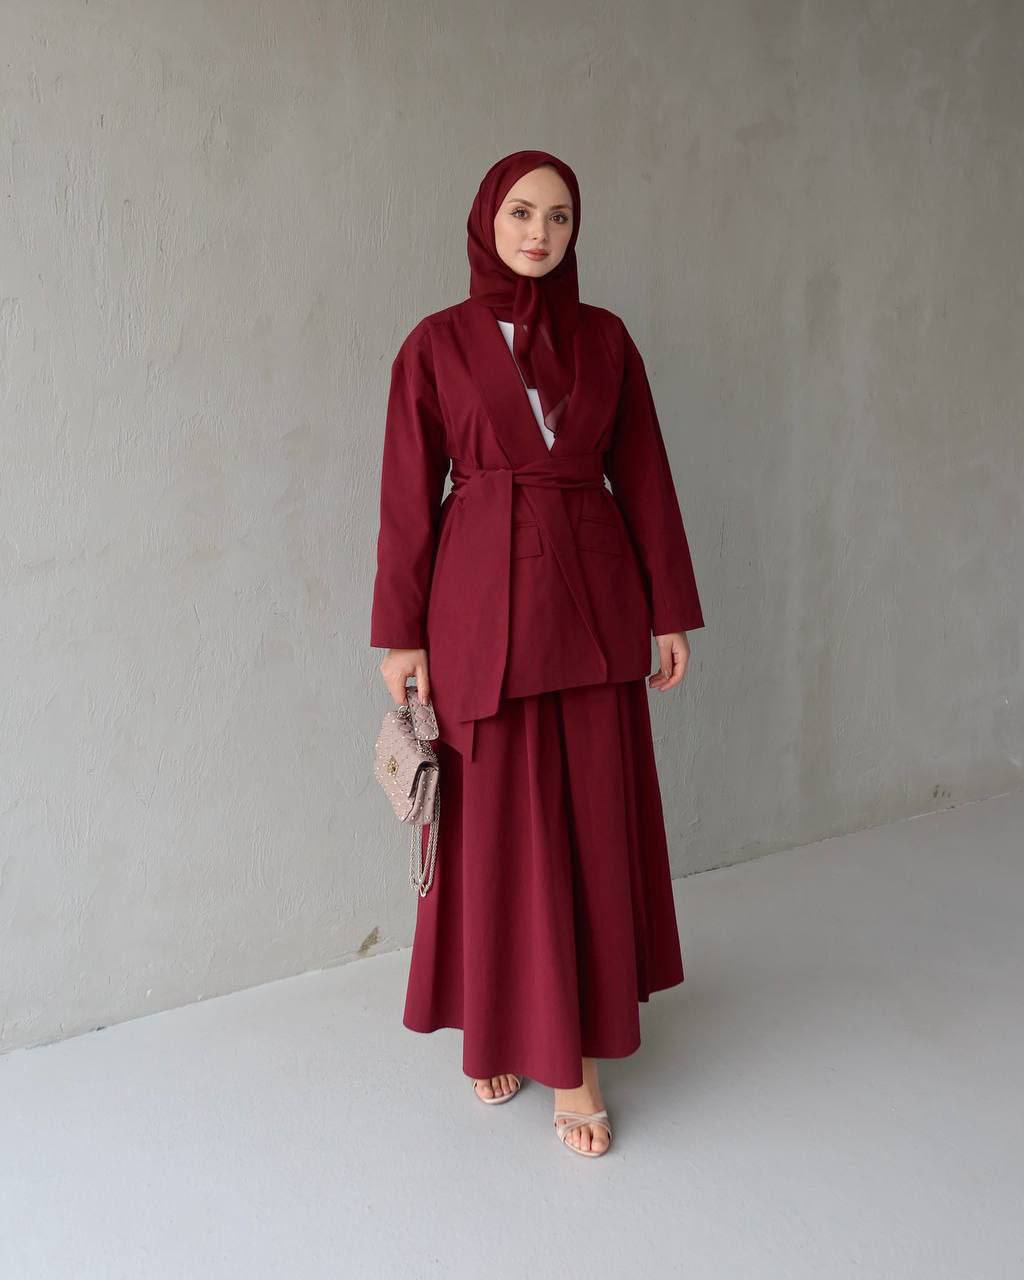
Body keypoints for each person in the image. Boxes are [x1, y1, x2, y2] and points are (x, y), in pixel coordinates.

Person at [370, 149, 705, 1158]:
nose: (539, 232)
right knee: (495, 827)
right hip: (479, 608)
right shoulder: (435, 344)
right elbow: (406, 496)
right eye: (521, 212)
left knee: (587, 823)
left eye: (559, 217)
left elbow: (644, 472)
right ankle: (496, 1019)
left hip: (593, 604)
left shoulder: (605, 339)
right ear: (488, 219)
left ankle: (578, 1061)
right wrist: (400, 632)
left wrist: (668, 611)